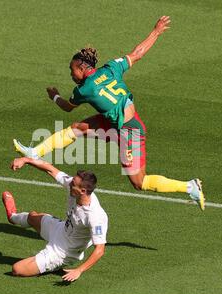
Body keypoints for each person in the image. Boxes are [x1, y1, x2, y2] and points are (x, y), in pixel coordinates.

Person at [13, 16, 205, 211]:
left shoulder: (83, 90)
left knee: (139, 182)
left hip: (129, 130)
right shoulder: (111, 68)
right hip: (115, 122)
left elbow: (67, 106)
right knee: (77, 129)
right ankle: (34, 152)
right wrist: (156, 31)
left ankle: (190, 187)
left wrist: (54, 96)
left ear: (81, 68)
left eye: (72, 70)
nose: (71, 75)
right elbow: (137, 53)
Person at [3, 156, 108, 282]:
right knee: (32, 217)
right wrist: (26, 160)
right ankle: (12, 216)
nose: (70, 184)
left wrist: (79, 270)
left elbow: (100, 250)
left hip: (63, 252)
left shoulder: (95, 216)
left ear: (83, 191)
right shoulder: (74, 186)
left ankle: (57, 265)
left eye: (73, 184)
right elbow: (51, 170)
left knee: (17, 269)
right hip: (61, 230)